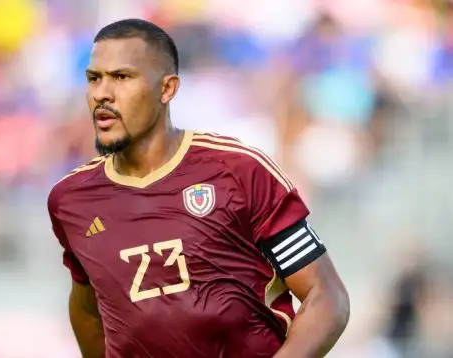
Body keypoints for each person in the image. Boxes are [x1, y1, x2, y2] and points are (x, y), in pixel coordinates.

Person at [47, 18, 350, 358]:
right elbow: (88, 308)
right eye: (94, 79)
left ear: (167, 89)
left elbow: (326, 298)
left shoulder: (239, 171)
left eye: (121, 77)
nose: (102, 93)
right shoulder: (70, 199)